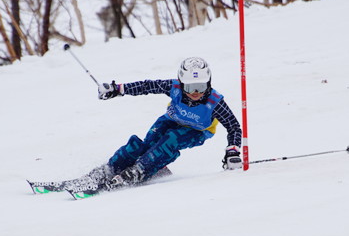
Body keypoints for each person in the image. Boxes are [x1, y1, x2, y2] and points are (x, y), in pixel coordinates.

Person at [74, 57, 243, 193]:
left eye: (201, 87)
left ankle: (140, 171)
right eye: (190, 87)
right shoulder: (174, 87)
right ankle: (110, 169)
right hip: (170, 119)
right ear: (182, 84)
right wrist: (118, 89)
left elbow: (233, 126)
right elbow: (148, 86)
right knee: (145, 146)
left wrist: (232, 151)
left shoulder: (215, 102)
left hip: (197, 130)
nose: (196, 93)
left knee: (171, 140)